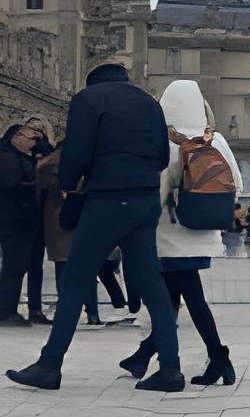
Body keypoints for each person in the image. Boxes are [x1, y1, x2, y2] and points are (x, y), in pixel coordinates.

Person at [6, 62, 182, 391]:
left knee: (75, 278)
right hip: (144, 200)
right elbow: (161, 156)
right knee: (151, 283)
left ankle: (50, 364)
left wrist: (70, 184)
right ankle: (170, 369)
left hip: (108, 200)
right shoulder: (148, 102)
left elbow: (76, 152)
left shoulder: (89, 100)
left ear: (93, 80)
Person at [118, 81, 242, 387]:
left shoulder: (168, 143)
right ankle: (144, 355)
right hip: (204, 234)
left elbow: (157, 194)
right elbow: (237, 185)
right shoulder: (216, 141)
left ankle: (219, 358)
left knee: (186, 300)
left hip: (171, 237)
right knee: (174, 298)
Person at [35, 128, 103, 328]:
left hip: (56, 222)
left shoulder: (46, 166)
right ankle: (92, 313)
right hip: (80, 219)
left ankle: (67, 313)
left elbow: (39, 195)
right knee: (85, 269)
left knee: (64, 268)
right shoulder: (86, 163)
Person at [0, 122, 51, 327]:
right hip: (13, 219)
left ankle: (7, 308)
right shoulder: (8, 158)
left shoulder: (20, 156)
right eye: (31, 139)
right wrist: (36, 186)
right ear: (17, 137)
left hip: (23, 219)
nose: (34, 144)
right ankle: (5, 311)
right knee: (14, 266)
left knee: (18, 266)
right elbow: (11, 186)